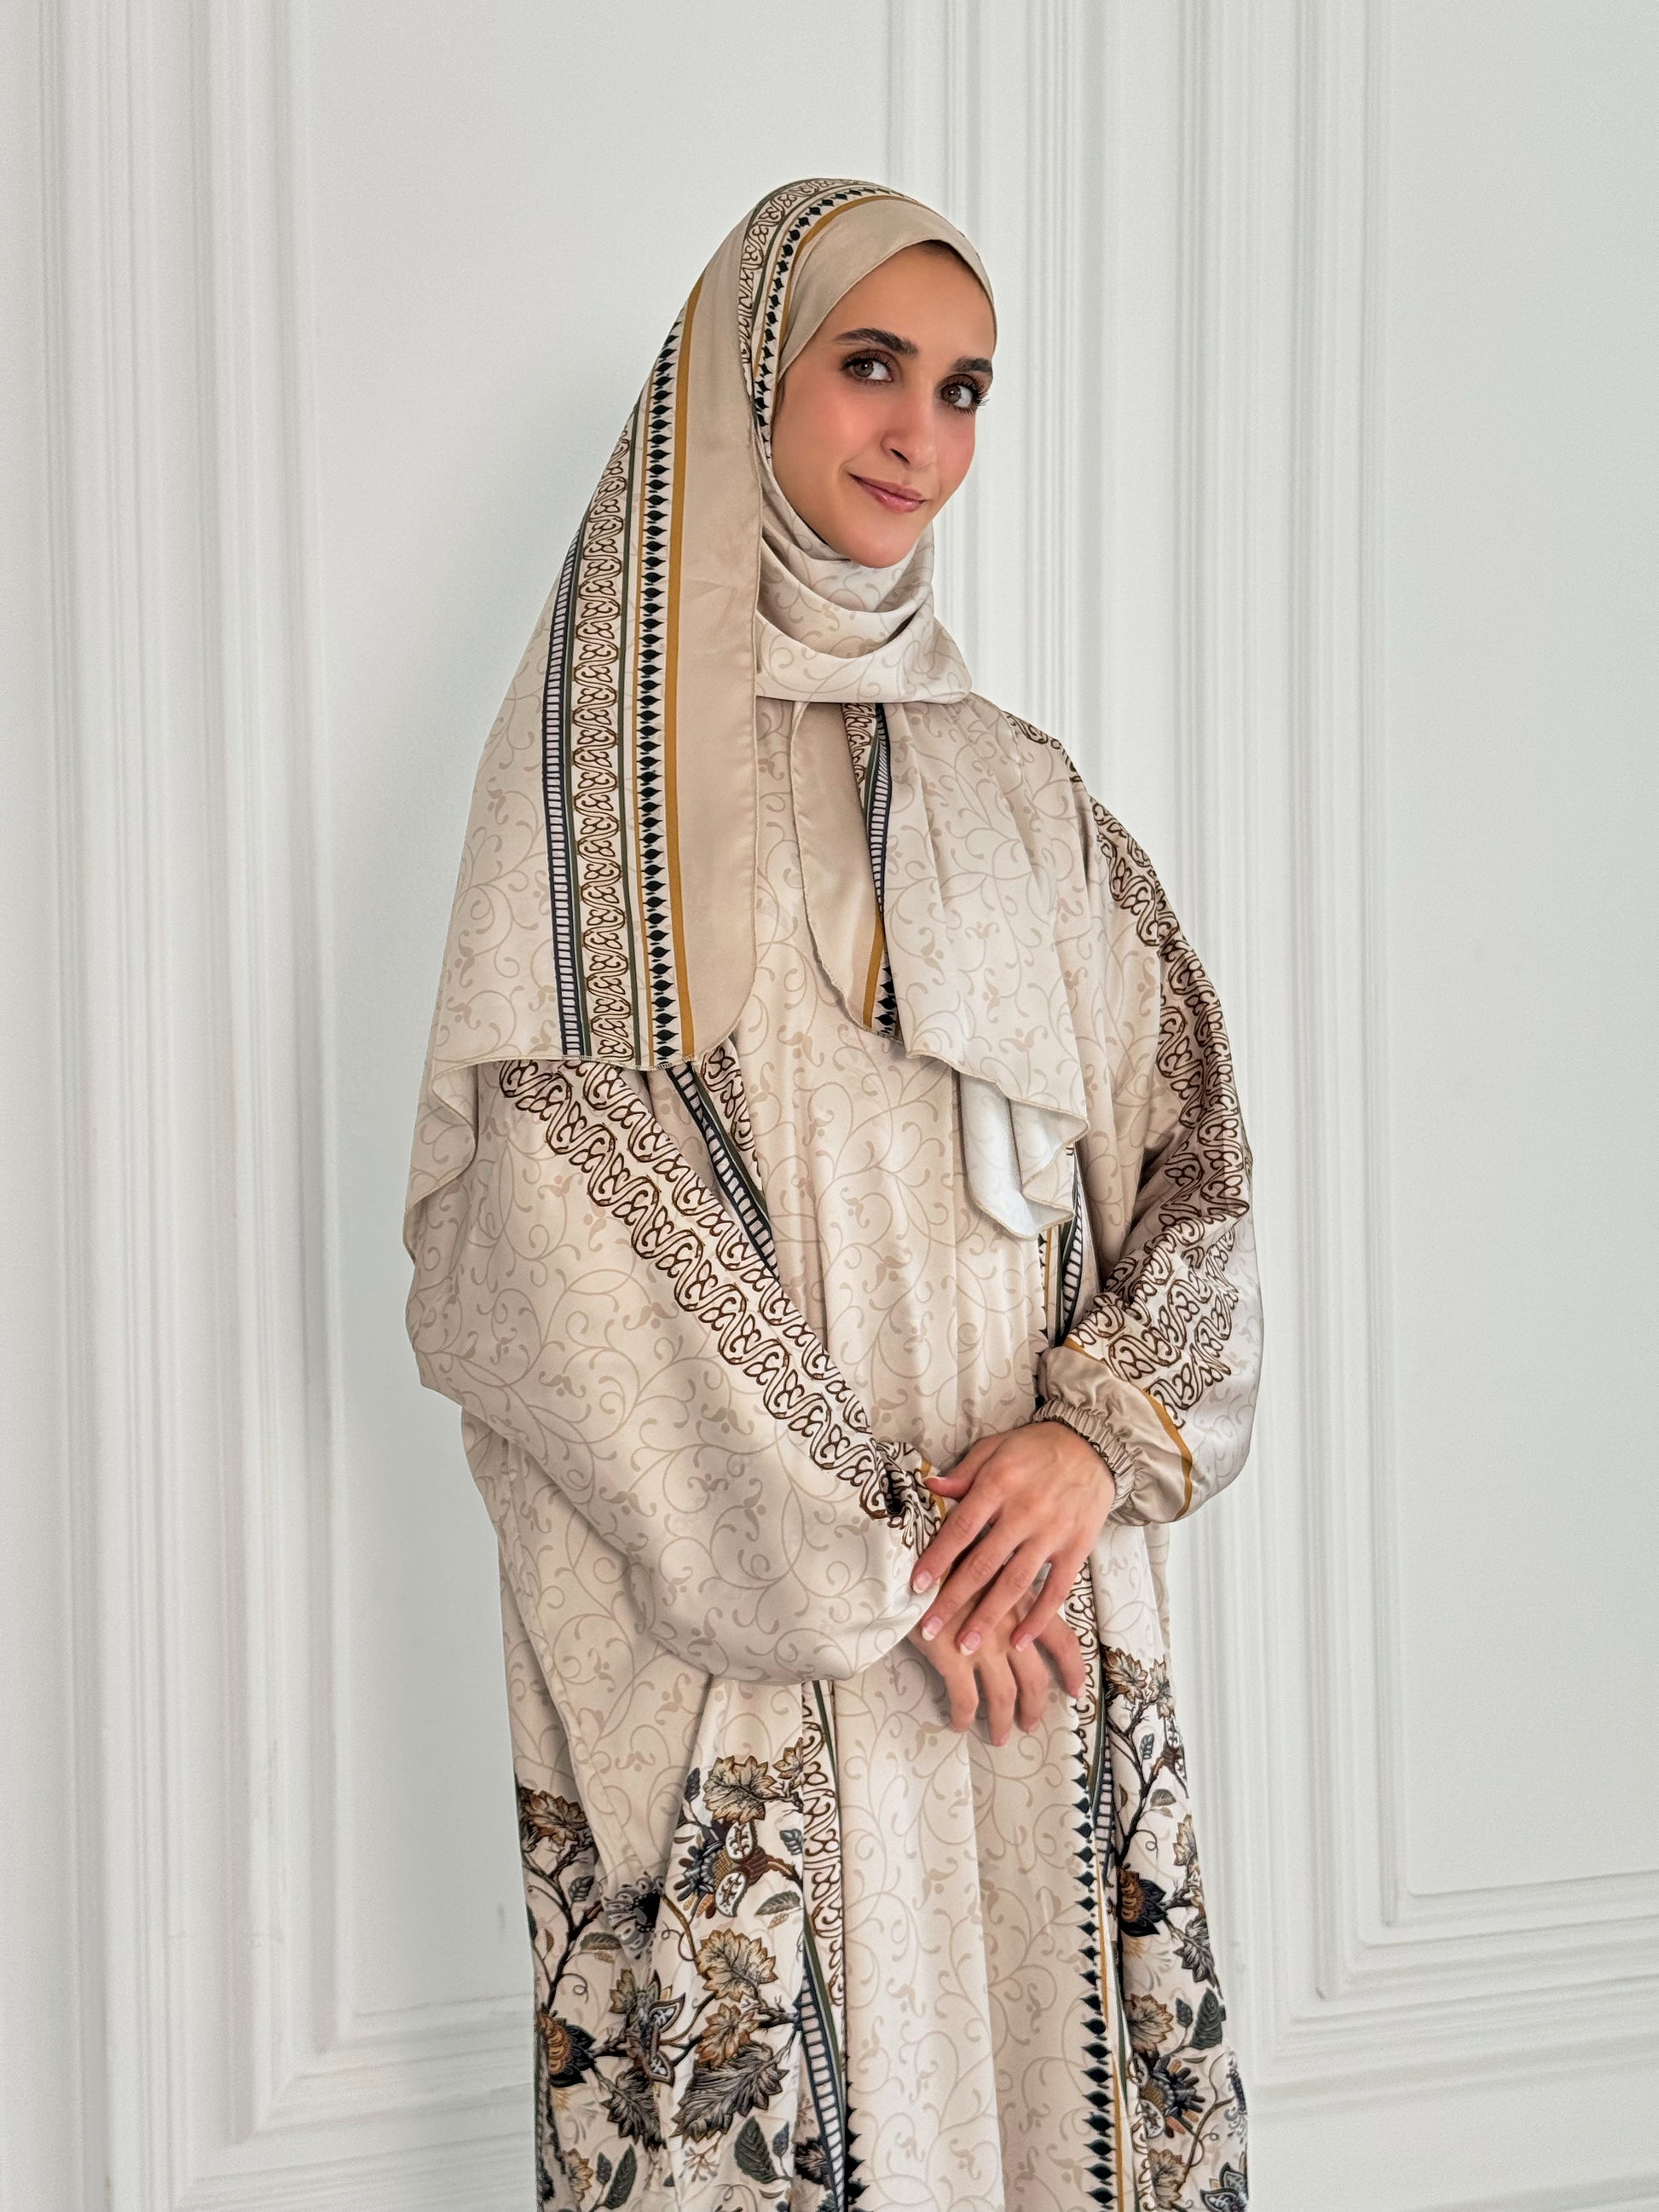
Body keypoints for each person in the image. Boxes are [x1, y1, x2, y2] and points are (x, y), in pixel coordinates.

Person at [405, 176, 1260, 2212]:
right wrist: (883, 1557)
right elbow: (547, 1234)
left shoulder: (1024, 788)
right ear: (743, 377)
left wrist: (1085, 1442)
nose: (919, 433)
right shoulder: (597, 792)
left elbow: (1197, 1149)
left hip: (1037, 1603)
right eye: (871, 365)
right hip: (777, 1619)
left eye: (963, 387)